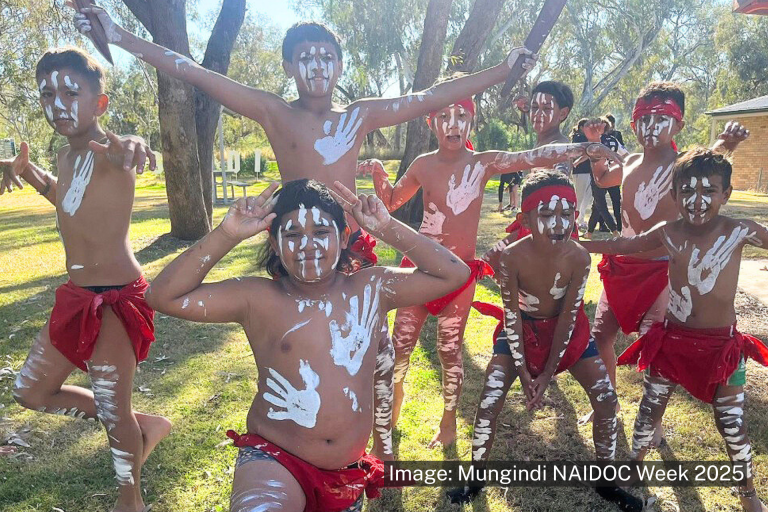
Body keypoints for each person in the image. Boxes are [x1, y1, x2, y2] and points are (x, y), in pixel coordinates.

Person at [70, 4, 536, 266]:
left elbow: (432, 95)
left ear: (339, 65)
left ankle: (372, 438)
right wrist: (120, 35)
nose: (317, 66)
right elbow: (192, 71)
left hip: (352, 244)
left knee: (369, 346)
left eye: (326, 57)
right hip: (296, 244)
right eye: (306, 58)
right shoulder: (274, 112)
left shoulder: (360, 115)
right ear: (290, 66)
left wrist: (500, 70)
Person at [145, 179, 471, 512]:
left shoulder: (373, 288)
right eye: (293, 235)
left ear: (344, 238)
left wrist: (388, 228)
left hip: (345, 474)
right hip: (275, 459)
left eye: (320, 232)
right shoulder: (256, 298)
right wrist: (226, 235)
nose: (308, 245)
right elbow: (161, 296)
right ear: (274, 243)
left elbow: (454, 273)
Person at [358, 98, 621, 447]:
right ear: (431, 124)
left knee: (449, 350)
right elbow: (391, 202)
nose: (453, 124)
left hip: (460, 275)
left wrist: (582, 147)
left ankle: (448, 421)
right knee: (400, 346)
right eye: (444, 117)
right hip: (417, 270)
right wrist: (378, 171)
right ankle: (394, 402)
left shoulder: (483, 164)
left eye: (462, 116)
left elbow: (533, 156)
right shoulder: (422, 164)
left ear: (472, 121)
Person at [1, 47, 168, 512]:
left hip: (114, 301)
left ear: (100, 103)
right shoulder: (67, 155)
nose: (58, 104)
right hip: (76, 298)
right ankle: (141, 426)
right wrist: (29, 174)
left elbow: (127, 149)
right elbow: (69, 199)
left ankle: (129, 499)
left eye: (71, 92)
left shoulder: (112, 150)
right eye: (47, 94)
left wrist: (133, 145)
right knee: (30, 391)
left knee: (116, 414)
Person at [581, 147, 768, 512]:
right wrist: (575, 243)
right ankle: (635, 465)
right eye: (687, 191)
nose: (697, 201)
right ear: (674, 195)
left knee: (731, 424)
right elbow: (625, 244)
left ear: (726, 194)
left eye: (709, 191)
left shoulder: (739, 230)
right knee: (649, 409)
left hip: (722, 347)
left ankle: (748, 495)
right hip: (671, 340)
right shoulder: (668, 232)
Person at [448, 171, 643, 511]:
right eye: (547, 214)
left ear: (575, 215)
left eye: (566, 213)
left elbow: (569, 316)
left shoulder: (579, 257)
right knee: (489, 402)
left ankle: (607, 481)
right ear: (525, 218)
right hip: (521, 331)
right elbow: (511, 315)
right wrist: (523, 371)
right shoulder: (511, 257)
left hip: (568, 334)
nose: (558, 223)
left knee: (607, 399)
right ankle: (475, 478)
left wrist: (549, 371)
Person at [587, 82, 749, 409]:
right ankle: (608, 402)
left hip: (663, 269)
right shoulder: (629, 162)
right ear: (633, 125)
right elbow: (604, 180)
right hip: (622, 267)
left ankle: (653, 421)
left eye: (661, 118)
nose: (650, 127)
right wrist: (594, 151)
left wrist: (728, 142)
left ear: (678, 125)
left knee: (655, 346)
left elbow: (711, 157)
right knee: (601, 335)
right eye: (644, 118)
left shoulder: (682, 166)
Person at [570, 118, 593, 227]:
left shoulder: (587, 138)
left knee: (588, 196)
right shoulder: (577, 137)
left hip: (589, 170)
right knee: (579, 196)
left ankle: (581, 219)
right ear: (581, 128)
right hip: (580, 171)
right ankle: (574, 219)